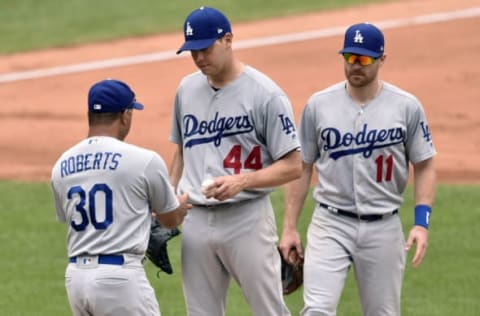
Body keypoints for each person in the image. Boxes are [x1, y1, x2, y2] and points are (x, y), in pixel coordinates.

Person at [280, 22, 437, 315]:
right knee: (316, 310)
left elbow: (425, 164)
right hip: (331, 222)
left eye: (364, 59)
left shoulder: (406, 107)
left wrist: (421, 222)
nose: (355, 65)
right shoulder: (318, 105)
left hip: (383, 226)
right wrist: (289, 227)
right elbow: (301, 167)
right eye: (349, 57)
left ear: (381, 59)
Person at [170, 6, 302, 316]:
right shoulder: (186, 89)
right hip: (196, 221)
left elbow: (293, 165)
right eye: (192, 52)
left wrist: (241, 180)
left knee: (269, 310)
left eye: (205, 49)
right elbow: (180, 151)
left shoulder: (266, 95)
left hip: (247, 218)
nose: (199, 58)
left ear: (228, 40)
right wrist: (167, 197)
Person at [51, 78, 191, 316]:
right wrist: (182, 205)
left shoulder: (61, 165)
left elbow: (71, 215)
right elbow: (169, 219)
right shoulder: (144, 160)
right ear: (126, 115)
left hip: (76, 279)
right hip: (119, 279)